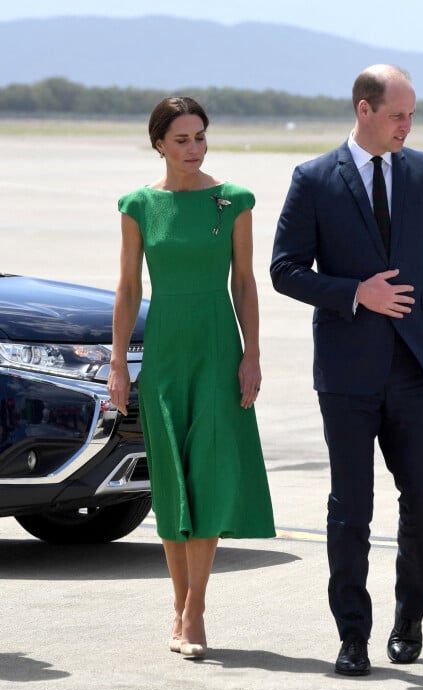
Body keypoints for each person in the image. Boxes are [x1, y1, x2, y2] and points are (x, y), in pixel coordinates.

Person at [270, 64, 423, 676]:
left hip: (415, 369)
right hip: (347, 374)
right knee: (350, 508)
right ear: (364, 110)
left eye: (411, 115)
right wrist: (356, 292)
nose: (407, 125)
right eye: (397, 115)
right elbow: (284, 269)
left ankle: (409, 618)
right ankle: (352, 634)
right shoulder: (313, 179)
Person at [107, 96, 275, 659]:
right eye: (181, 139)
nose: (194, 148)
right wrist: (116, 364)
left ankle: (196, 609)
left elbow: (245, 285)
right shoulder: (138, 205)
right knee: (172, 482)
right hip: (163, 354)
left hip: (216, 348)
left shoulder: (233, 201)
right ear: (159, 142)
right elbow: (128, 289)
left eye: (200, 137)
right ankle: (178, 605)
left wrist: (251, 354)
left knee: (206, 473)